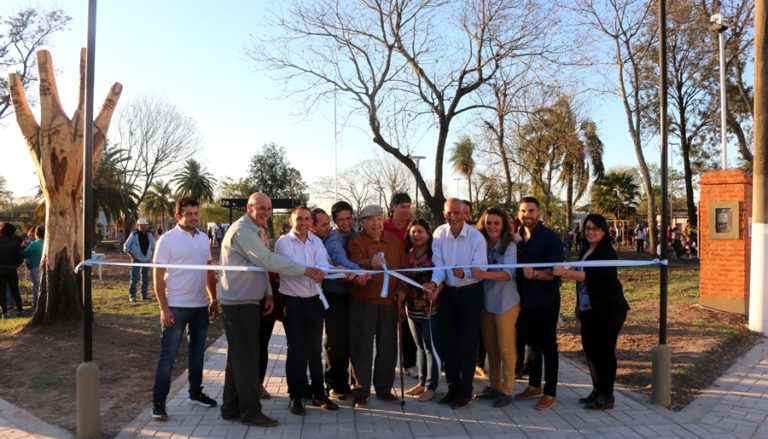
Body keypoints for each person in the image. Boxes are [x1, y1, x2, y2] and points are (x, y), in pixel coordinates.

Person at [218, 192, 325, 427]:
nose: (266, 212)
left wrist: (267, 291)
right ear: (249, 207)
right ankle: (250, 411)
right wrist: (307, 270)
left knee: (238, 356)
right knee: (247, 357)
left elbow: (259, 265)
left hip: (249, 299)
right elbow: (267, 260)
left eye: (269, 208)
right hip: (238, 302)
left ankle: (230, 406)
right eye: (261, 208)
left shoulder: (256, 230)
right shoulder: (243, 231)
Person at [151, 198, 219, 421]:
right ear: (178, 215)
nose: (193, 217)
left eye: (195, 213)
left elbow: (209, 271)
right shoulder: (167, 240)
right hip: (176, 307)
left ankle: (195, 393)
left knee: (197, 354)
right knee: (168, 356)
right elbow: (157, 277)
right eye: (188, 213)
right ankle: (158, 404)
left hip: (200, 307)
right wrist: (164, 308)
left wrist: (213, 299)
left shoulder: (203, 238)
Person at [553, 213, 629, 410]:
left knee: (605, 352)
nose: (590, 232)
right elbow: (580, 279)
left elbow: (589, 276)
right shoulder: (585, 251)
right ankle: (597, 390)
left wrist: (565, 273)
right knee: (591, 351)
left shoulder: (607, 254)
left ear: (604, 231)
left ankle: (607, 395)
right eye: (587, 228)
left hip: (609, 309)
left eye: (595, 228)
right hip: (589, 310)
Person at [422, 198, 487, 409]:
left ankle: (465, 391)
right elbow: (439, 264)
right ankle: (452, 387)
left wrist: (466, 272)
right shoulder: (439, 233)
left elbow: (480, 269)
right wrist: (434, 282)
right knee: (447, 342)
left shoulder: (476, 237)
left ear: (465, 214)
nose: (454, 217)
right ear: (444, 213)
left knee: (467, 344)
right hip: (449, 293)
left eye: (458, 212)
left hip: (471, 293)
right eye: (450, 213)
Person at [275, 206, 338, 415]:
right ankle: (296, 395)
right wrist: (312, 270)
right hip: (292, 303)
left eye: (306, 219)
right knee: (296, 350)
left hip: (314, 301)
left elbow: (323, 262)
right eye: (299, 219)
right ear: (291, 220)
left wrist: (320, 270)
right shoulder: (283, 242)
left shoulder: (316, 241)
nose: (303, 223)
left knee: (314, 350)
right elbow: (293, 265)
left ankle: (319, 393)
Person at [347, 204, 408, 408]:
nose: (375, 223)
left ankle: (384, 388)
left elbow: (403, 270)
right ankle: (360, 391)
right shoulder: (356, 243)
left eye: (379, 218)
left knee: (388, 347)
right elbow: (352, 265)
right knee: (362, 347)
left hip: (389, 303)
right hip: (363, 303)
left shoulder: (394, 241)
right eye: (370, 219)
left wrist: (401, 291)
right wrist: (368, 263)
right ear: (362, 222)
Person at [514, 196, 564, 410]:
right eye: (524, 211)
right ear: (519, 213)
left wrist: (535, 274)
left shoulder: (549, 238)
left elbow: (555, 273)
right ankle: (534, 386)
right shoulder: (518, 238)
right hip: (525, 301)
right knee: (531, 345)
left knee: (548, 347)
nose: (527, 215)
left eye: (531, 211)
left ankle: (550, 392)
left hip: (546, 302)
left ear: (539, 213)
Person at [471, 208, 520, 408]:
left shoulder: (509, 246)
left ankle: (507, 390)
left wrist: (481, 274)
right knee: (491, 348)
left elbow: (508, 274)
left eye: (496, 223)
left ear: (503, 226)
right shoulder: (479, 243)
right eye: (489, 223)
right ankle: (494, 386)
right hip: (486, 303)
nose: (492, 227)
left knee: (506, 348)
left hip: (505, 302)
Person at [323, 201, 363, 400]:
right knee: (336, 340)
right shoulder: (334, 238)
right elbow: (341, 260)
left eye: (348, 218)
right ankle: (335, 384)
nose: (346, 222)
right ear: (335, 221)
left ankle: (350, 383)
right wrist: (359, 270)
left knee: (352, 339)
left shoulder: (357, 235)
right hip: (335, 294)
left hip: (354, 294)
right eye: (341, 220)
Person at [403, 219, 439, 402]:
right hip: (411, 307)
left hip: (430, 307)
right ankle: (422, 382)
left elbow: (442, 276)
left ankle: (432, 386)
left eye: (420, 231)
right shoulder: (406, 254)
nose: (416, 235)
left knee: (430, 347)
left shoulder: (435, 254)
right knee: (419, 346)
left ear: (428, 233)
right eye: (413, 232)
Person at [383, 192, 418, 377]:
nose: (406, 210)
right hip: (387, 282)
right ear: (392, 208)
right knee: (388, 325)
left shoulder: (414, 226)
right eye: (401, 206)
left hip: (409, 280)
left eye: (408, 206)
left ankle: (410, 363)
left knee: (408, 322)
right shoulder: (383, 227)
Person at [123, 218, 155, 302]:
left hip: (146, 259)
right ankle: (132, 296)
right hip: (136, 259)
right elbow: (126, 247)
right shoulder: (133, 235)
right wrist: (132, 256)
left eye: (145, 225)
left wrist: (150, 255)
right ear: (138, 226)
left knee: (145, 278)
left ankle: (144, 295)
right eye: (141, 226)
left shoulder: (149, 234)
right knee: (134, 278)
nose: (143, 227)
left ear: (147, 226)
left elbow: (153, 246)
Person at [0, 223, 24, 318]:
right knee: (15, 290)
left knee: (1, 291)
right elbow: (20, 259)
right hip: (12, 269)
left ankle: (4, 312)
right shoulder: (16, 244)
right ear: (12, 232)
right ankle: (20, 310)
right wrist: (15, 265)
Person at [21, 226, 44, 308]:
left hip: (35, 266)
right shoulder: (47, 243)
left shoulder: (34, 244)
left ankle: (36, 303)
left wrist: (23, 246)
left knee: (37, 286)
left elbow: (24, 254)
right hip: (47, 267)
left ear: (36, 234)